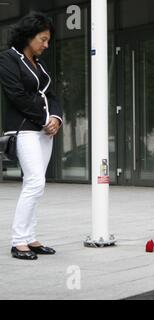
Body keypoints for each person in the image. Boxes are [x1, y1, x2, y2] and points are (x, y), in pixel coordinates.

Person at [0, 12, 63, 260]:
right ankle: (18, 241)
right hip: (24, 128)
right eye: (43, 39)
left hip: (44, 130)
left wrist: (56, 118)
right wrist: (43, 118)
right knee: (35, 182)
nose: (46, 45)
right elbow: (16, 95)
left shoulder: (40, 65)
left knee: (35, 184)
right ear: (28, 36)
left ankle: (30, 238)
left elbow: (53, 96)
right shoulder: (7, 59)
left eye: (48, 40)